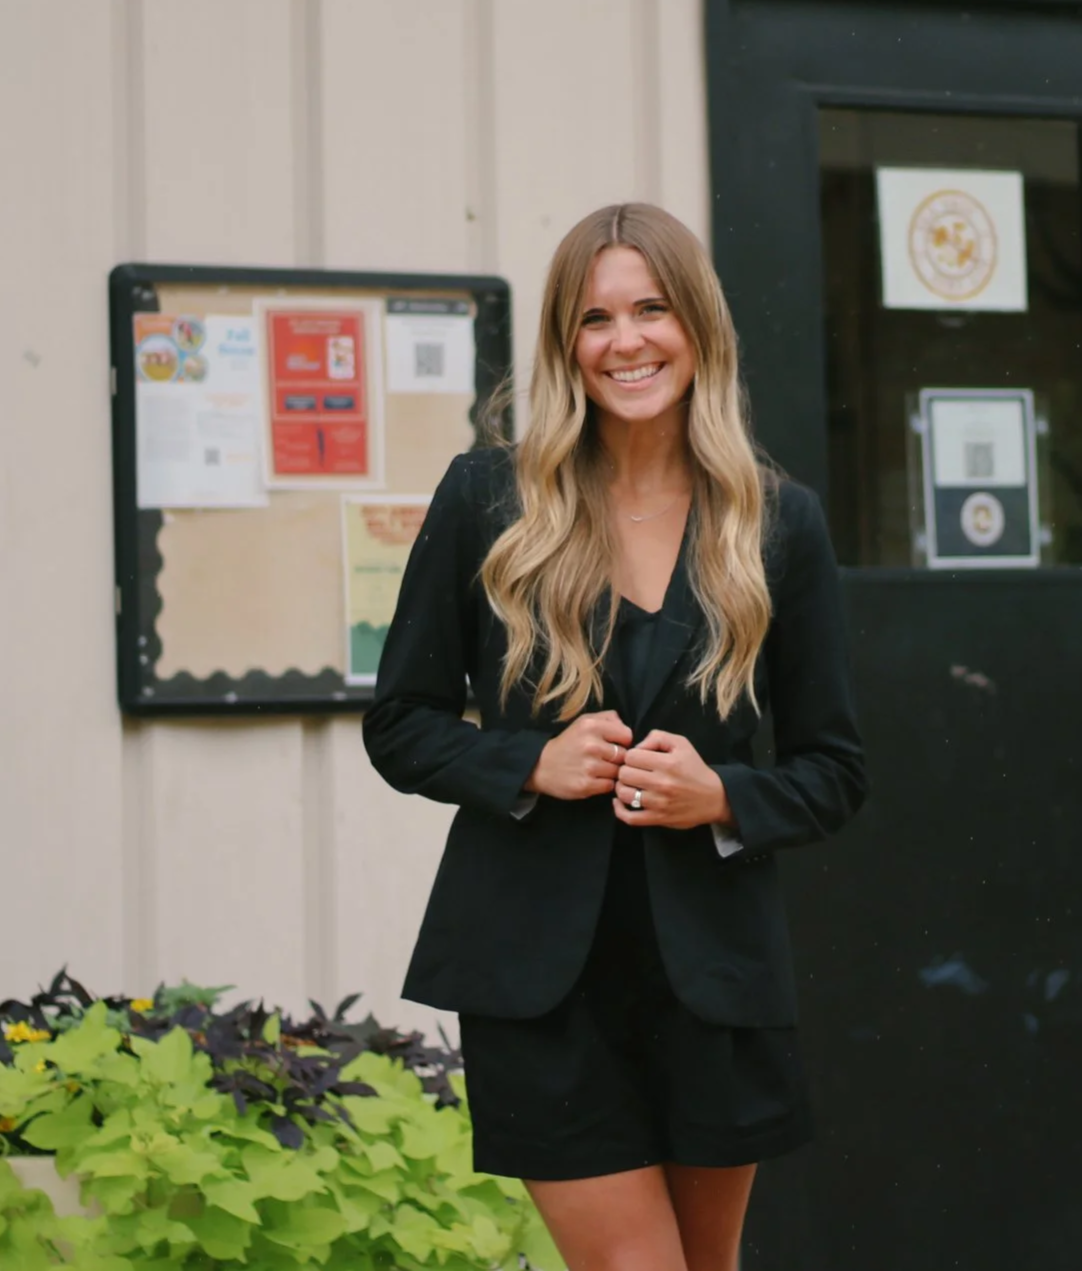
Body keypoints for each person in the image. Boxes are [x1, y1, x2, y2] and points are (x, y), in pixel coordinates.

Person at [363, 203, 867, 1271]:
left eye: (650, 308)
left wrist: (721, 795)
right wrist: (525, 763)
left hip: (713, 983)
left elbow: (834, 769)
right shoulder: (487, 498)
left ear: (697, 325)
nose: (625, 340)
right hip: (537, 980)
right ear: (563, 342)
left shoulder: (777, 521)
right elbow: (399, 723)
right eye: (594, 318)